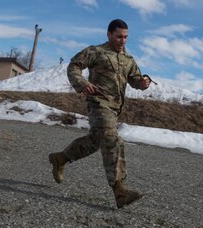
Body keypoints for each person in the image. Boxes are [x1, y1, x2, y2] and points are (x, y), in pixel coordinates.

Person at [49, 19, 151, 208]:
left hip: (115, 108)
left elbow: (136, 80)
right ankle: (119, 191)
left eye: (126, 37)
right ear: (109, 34)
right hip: (98, 103)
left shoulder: (129, 60)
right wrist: (83, 84)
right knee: (112, 139)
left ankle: (60, 159)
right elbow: (74, 66)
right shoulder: (96, 51)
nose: (123, 41)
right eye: (119, 36)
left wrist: (143, 83)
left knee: (96, 141)